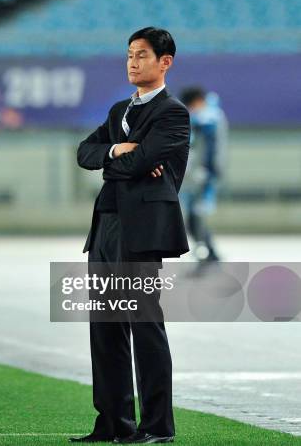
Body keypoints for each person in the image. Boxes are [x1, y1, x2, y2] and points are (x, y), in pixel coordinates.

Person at [72, 27, 190, 444]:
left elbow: (141, 164)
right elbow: (85, 152)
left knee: (144, 323)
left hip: (142, 230)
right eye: (128, 55)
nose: (133, 62)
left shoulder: (173, 113)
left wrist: (122, 158)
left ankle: (157, 425)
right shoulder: (118, 109)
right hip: (105, 223)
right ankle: (113, 424)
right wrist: (118, 151)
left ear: (165, 62)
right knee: (104, 325)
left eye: (141, 55)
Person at [179, 86, 228, 267]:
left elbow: (200, 132)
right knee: (194, 212)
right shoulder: (209, 114)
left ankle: (206, 250)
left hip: (206, 172)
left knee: (196, 212)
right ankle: (207, 249)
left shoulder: (210, 115)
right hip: (201, 172)